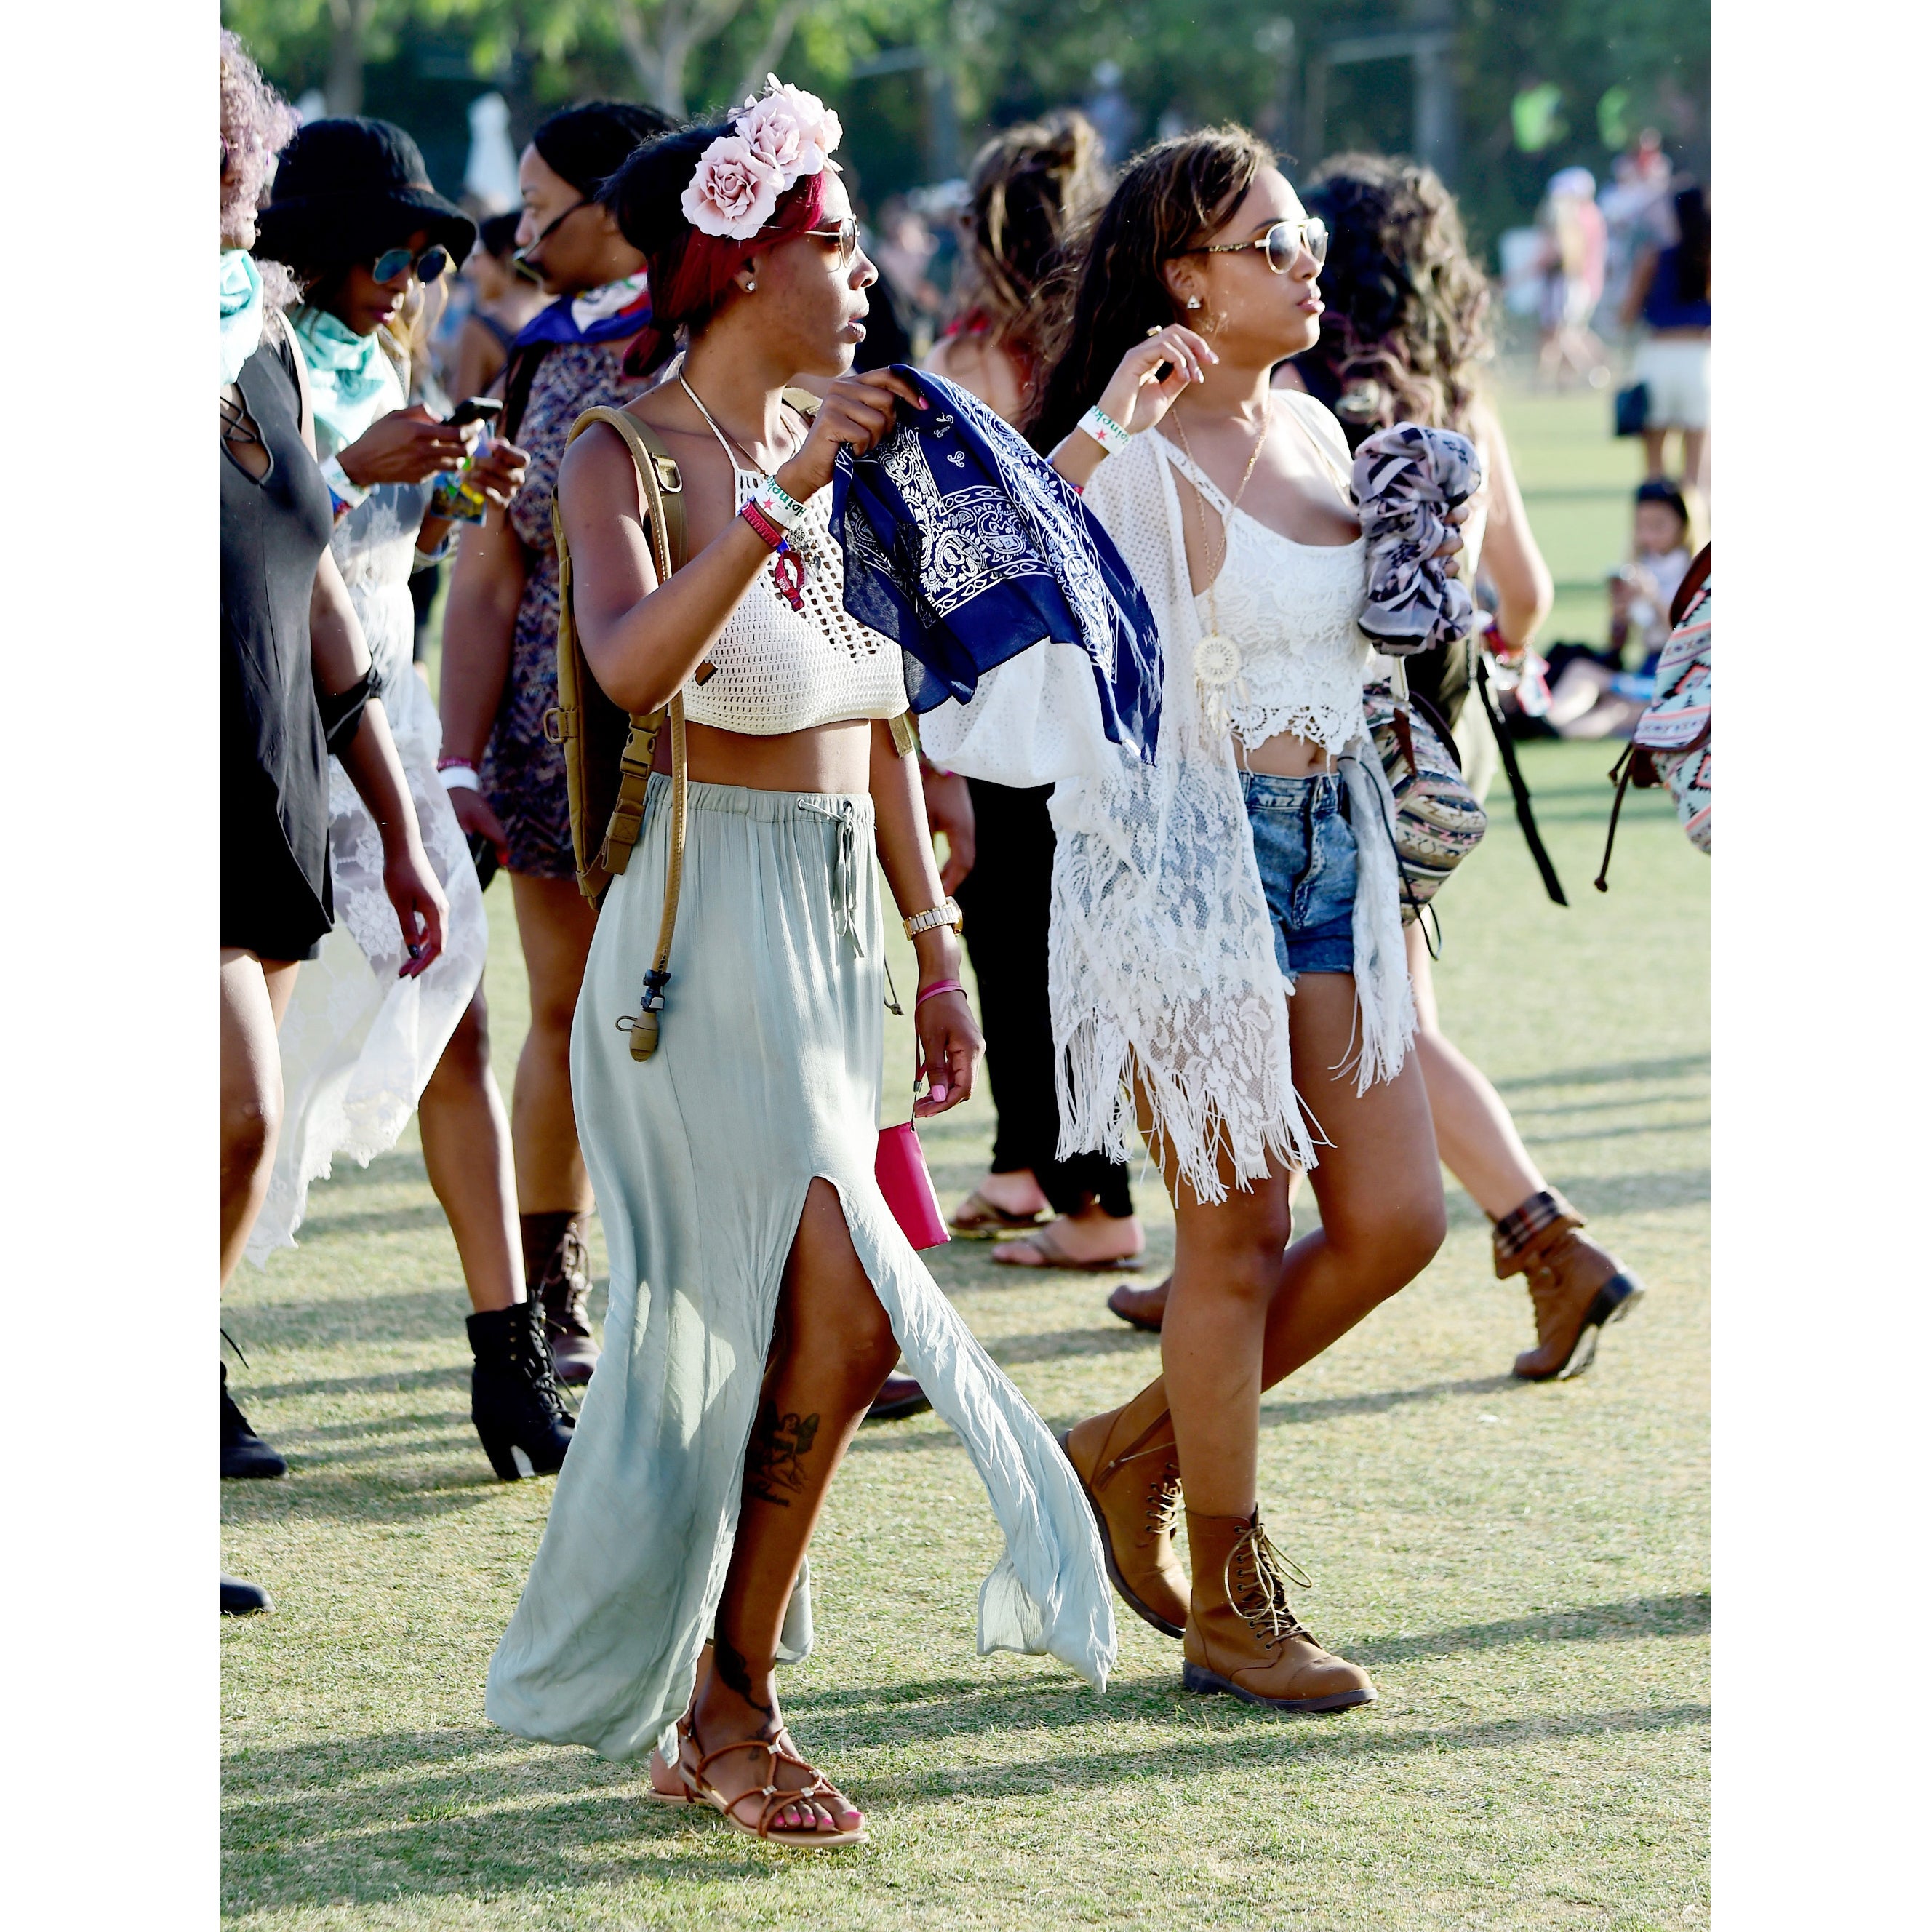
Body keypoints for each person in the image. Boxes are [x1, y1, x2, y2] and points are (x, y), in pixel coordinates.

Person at [484, 87, 1114, 1846]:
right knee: (787, 1310)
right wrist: (792, 488)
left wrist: (932, 944)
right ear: (752, 256)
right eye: (840, 243)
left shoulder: (860, 441)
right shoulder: (632, 446)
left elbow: (889, 714)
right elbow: (624, 669)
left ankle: (730, 1684)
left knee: (817, 1328)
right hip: (700, 931)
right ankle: (722, 1695)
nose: (864, 274)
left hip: (841, 924)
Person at [1027, 127, 1450, 1710]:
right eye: (1270, 245)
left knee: (1395, 1218)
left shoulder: (1328, 433)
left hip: (1330, 853)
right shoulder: (1135, 456)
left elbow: (1363, 652)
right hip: (1185, 866)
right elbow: (1012, 632)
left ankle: (1126, 1444)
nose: (1306, 262)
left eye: (1303, 241)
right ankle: (1227, 1587)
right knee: (1232, 1231)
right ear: (1181, 276)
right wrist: (1092, 437)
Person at [244, 117, 577, 1479]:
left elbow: (379, 564)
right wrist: (352, 473)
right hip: (273, 734)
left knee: (460, 1020)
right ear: (315, 240)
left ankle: (506, 1352)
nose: (412, 271)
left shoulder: (380, 358)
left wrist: (441, 504)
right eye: (388, 246)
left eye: (429, 250)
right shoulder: (250, 353)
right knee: (238, 1054)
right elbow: (234, 535)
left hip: (386, 704)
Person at [220, 34, 449, 1592]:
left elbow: (315, 605)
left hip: (266, 786)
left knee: (221, 1145)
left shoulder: (263, 351)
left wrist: (397, 813)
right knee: (230, 1107)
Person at [438, 100, 671, 1381]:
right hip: (549, 743)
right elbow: (487, 578)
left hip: (708, 735)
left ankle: (742, 1288)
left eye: (545, 207)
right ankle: (554, 1291)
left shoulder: (714, 341)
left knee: (702, 1019)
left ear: (621, 207)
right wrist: (461, 757)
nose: (523, 230)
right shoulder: (536, 356)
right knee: (569, 1013)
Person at [919, 113, 1144, 1272]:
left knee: (1028, 944)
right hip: (1094, 682)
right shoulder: (1100, 347)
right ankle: (1026, 1166)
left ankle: (1094, 1202)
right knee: (1037, 938)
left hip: (1011, 688)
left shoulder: (971, 362)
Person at [1548, 479, 1695, 742]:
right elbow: (1617, 647)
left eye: (1658, 526)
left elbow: (1689, 639)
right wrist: (1619, 614)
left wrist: (1653, 597)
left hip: (1682, 678)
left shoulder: (1697, 571)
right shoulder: (1641, 563)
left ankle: (1557, 730)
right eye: (1641, 526)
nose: (1648, 536)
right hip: (1647, 668)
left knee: (1615, 709)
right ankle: (1546, 720)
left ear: (1685, 524)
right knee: (1582, 671)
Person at [1621, 182, 1710, 500]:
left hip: (1657, 357)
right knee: (1695, 479)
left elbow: (1626, 315)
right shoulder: (1711, 260)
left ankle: (1650, 544)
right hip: (1699, 360)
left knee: (1654, 474)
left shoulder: (1654, 258)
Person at [449, 211, 547, 402]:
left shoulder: (479, 331)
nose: (471, 270)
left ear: (504, 256)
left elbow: (460, 420)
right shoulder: (558, 326)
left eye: (478, 256)